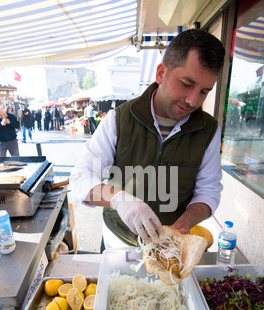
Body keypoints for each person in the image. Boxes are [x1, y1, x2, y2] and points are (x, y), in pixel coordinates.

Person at [70, 29, 225, 249]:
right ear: (162, 73)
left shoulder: (208, 130)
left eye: (204, 92)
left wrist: (183, 226)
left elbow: (208, 191)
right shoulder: (119, 118)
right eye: (186, 84)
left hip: (170, 248)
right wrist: (120, 200)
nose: (192, 100)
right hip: (119, 242)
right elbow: (81, 177)